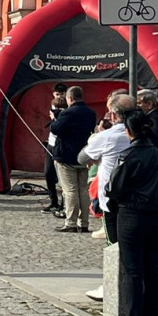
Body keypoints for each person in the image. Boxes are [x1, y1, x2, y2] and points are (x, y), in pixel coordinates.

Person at [106, 110, 158, 316]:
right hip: (155, 215)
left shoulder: (128, 155)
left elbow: (114, 188)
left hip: (131, 213)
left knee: (133, 271)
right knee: (154, 271)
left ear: (129, 131)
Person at [79, 94, 135, 302]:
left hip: (112, 197)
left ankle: (112, 285)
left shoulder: (110, 135)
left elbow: (82, 157)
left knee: (115, 245)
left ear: (113, 114)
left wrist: (98, 143)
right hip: (139, 197)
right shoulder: (145, 132)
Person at [49, 85, 97, 233]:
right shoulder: (91, 113)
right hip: (83, 154)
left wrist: (54, 119)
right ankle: (84, 222)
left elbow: (56, 129)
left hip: (66, 155)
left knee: (70, 190)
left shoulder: (67, 114)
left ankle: (70, 222)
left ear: (69, 98)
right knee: (83, 189)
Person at [41, 84, 68, 213]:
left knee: (63, 177)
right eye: (57, 94)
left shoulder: (68, 109)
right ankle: (53, 201)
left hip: (62, 145)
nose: (59, 97)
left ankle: (64, 203)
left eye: (62, 94)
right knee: (48, 173)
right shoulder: (52, 105)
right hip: (51, 144)